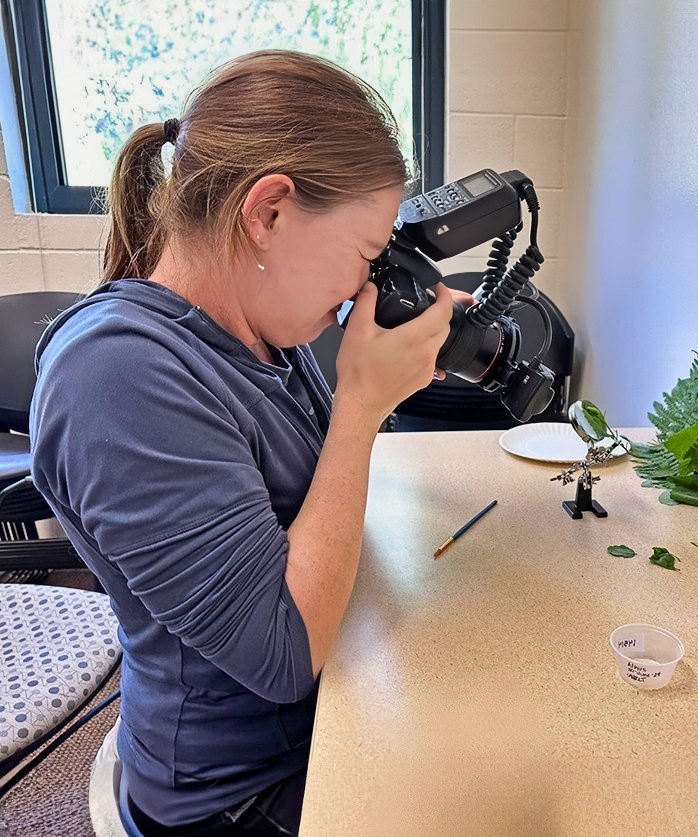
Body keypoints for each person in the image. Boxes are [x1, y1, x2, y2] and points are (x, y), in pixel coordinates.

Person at [29, 50, 465, 835]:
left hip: (318, 721)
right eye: (365, 255)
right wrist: (362, 403)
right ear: (267, 212)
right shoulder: (116, 376)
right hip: (233, 792)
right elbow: (282, 656)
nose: (365, 286)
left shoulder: (264, 331)